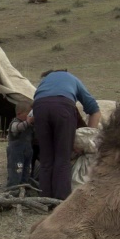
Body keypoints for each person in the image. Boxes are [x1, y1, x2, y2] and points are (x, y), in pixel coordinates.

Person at [33, 69, 101, 200]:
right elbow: (94, 110)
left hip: (39, 108)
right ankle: (60, 200)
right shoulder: (72, 78)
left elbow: (37, 103)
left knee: (46, 158)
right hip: (62, 107)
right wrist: (87, 137)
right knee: (62, 157)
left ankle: (44, 199)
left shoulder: (44, 82)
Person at [6, 102, 34, 187]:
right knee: (16, 170)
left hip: (27, 151)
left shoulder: (30, 125)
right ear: (19, 114)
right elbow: (17, 128)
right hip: (16, 152)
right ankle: (13, 188)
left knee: (26, 170)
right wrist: (28, 122)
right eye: (28, 114)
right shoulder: (15, 123)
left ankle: (24, 186)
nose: (30, 116)